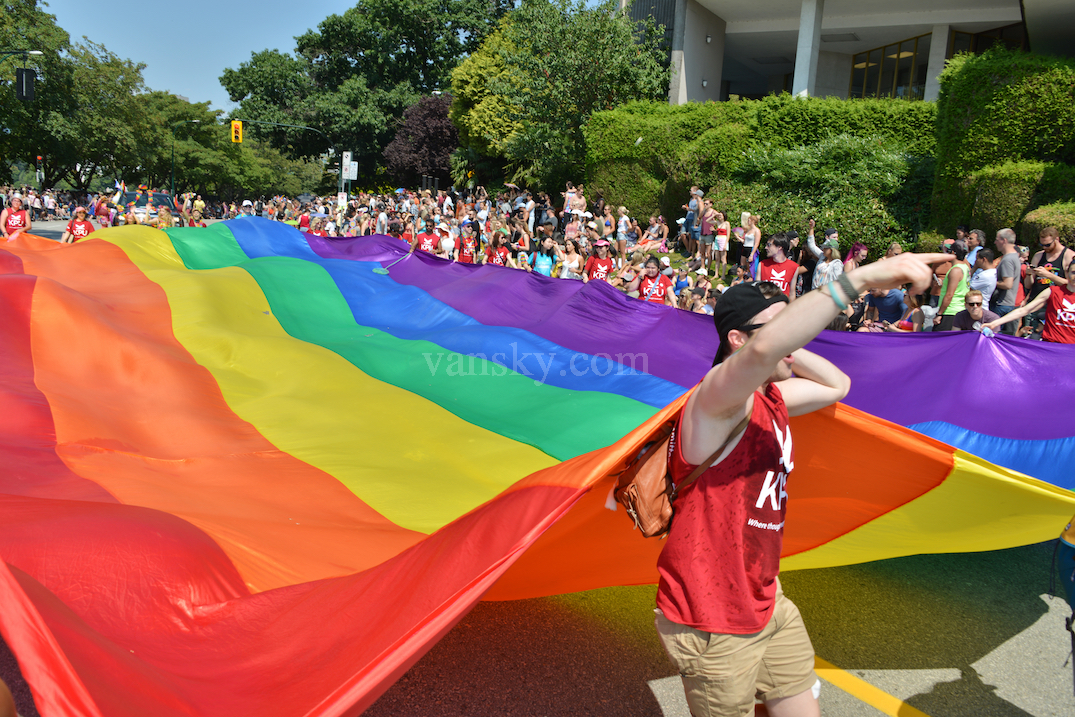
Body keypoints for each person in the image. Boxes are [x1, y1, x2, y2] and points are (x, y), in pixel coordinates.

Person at [654, 251, 948, 717]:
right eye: (779, 331)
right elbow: (761, 352)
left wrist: (782, 340)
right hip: (710, 614)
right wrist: (864, 279)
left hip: (767, 600)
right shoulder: (714, 401)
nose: (789, 339)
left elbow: (837, 384)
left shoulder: (771, 398)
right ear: (737, 340)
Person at [985, 260, 1075, 343]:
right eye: (1073, 272)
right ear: (1067, 273)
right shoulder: (1053, 291)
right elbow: (1024, 310)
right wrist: (994, 323)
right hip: (1051, 345)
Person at [935, 240, 970, 331]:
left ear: (953, 253)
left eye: (948, 251)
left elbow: (949, 295)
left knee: (940, 341)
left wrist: (939, 314)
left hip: (950, 311)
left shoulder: (956, 270)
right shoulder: (965, 267)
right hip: (960, 309)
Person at [991, 228, 1021, 334]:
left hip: (1001, 303)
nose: (995, 242)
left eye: (997, 239)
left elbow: (1007, 284)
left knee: (993, 335)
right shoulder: (1014, 256)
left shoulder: (1008, 259)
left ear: (1004, 240)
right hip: (1008, 303)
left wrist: (990, 282)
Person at [758, 232, 800, 299]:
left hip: (783, 307)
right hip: (765, 306)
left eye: (769, 245)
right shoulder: (762, 265)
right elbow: (757, 290)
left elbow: (792, 293)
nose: (766, 248)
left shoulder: (794, 267)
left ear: (779, 247)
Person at [802, 221, 842, 291]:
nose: (823, 249)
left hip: (826, 295)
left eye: (826, 248)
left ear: (831, 250)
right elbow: (811, 245)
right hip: (814, 292)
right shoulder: (822, 257)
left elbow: (837, 282)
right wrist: (811, 228)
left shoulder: (837, 263)